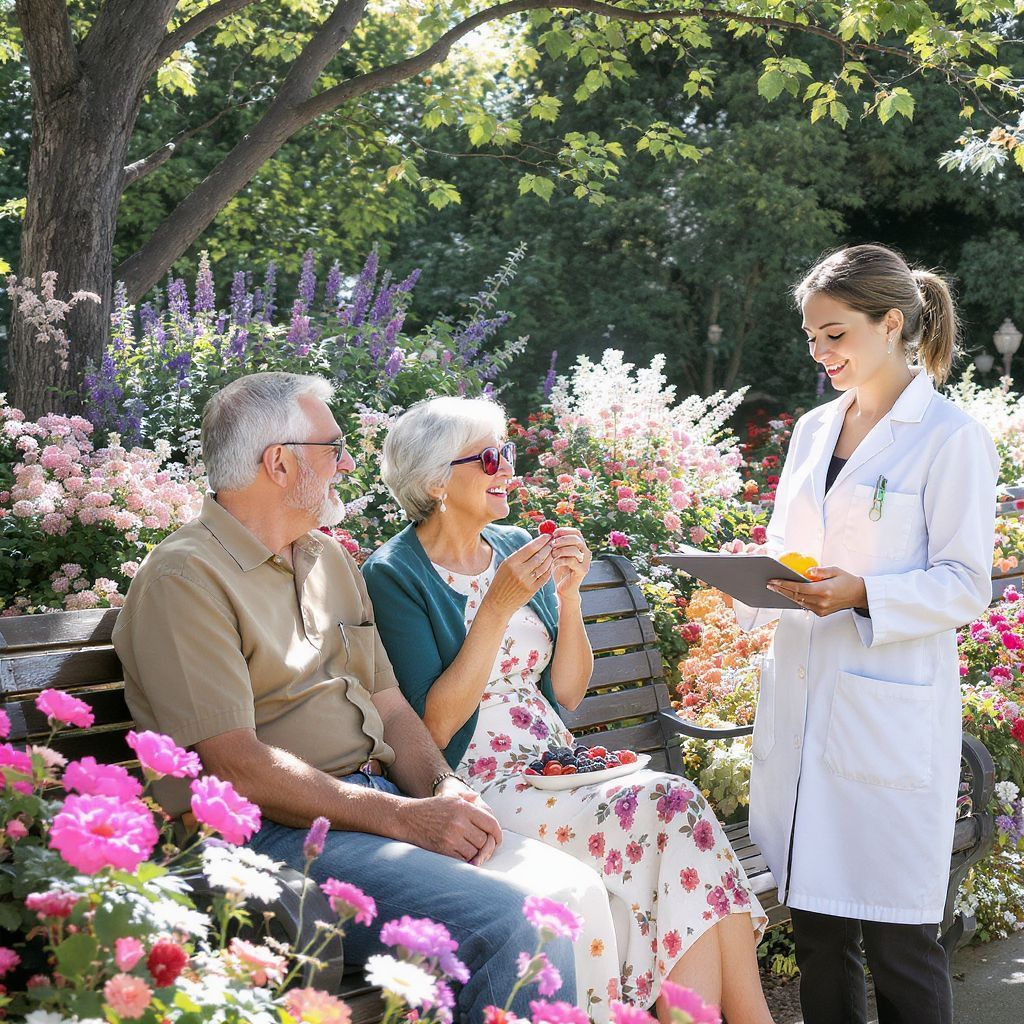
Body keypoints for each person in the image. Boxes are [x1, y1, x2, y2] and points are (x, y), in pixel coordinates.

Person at [112, 372, 589, 1022]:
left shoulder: (326, 560)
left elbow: (390, 706)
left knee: (570, 893)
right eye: (333, 446)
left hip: (368, 812)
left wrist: (442, 787)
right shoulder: (184, 578)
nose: (348, 461)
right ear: (278, 463)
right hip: (277, 842)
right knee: (515, 923)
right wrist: (400, 818)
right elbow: (234, 764)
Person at [361, 396, 773, 1024]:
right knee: (674, 807)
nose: (508, 470)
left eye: (509, 454)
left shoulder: (515, 544)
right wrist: (497, 608)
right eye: (491, 458)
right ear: (436, 481)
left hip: (559, 767)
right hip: (480, 783)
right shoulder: (394, 573)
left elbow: (569, 694)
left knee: (677, 822)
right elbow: (432, 728)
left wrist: (570, 596)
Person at [730, 244, 999, 1024]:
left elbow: (963, 583)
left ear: (891, 325)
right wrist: (748, 590)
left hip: (885, 714)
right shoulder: (815, 429)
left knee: (900, 945)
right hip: (803, 700)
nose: (821, 353)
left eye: (836, 334)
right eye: (811, 337)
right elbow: (789, 544)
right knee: (817, 935)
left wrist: (863, 595)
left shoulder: (949, 437)